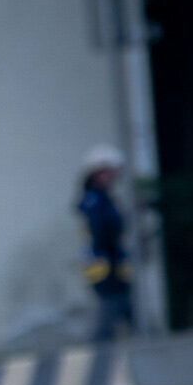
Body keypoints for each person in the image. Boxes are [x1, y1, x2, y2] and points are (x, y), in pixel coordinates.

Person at [77, 144, 134, 341]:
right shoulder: (95, 199)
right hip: (104, 262)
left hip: (111, 260)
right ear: (99, 172)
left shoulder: (102, 197)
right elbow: (101, 230)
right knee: (108, 312)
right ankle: (100, 357)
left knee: (122, 309)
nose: (114, 177)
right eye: (111, 172)